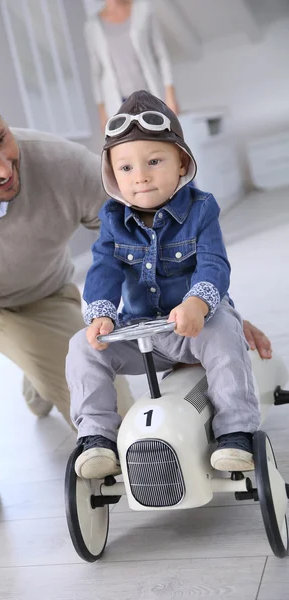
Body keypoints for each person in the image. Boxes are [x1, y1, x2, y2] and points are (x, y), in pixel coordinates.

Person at [0, 69, 270, 531]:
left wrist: (218, 308)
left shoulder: (68, 166)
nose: (4, 168)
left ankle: (37, 369)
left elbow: (168, 237)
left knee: (127, 426)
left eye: (2, 140)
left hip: (40, 302)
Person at [67, 90, 262, 481]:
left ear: (181, 163)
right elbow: (103, 267)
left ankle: (236, 432)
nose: (140, 176)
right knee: (82, 347)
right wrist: (102, 314)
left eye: (154, 162)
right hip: (143, 333)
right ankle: (97, 438)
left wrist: (198, 303)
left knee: (224, 329)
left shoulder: (201, 208)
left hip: (194, 327)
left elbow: (213, 264)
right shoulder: (112, 218)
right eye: (125, 168)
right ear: (112, 175)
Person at [84, 0, 179, 133]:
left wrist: (170, 96)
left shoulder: (143, 9)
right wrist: (102, 112)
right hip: (119, 104)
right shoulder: (92, 26)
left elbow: (161, 55)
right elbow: (96, 72)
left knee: (162, 141)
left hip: (151, 97)